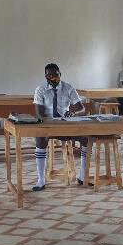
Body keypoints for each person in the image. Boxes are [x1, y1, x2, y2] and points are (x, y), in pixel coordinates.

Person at [32, 63, 88, 191]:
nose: (53, 77)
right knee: (40, 138)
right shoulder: (40, 90)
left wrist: (73, 113)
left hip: (65, 124)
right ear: (46, 77)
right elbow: (39, 113)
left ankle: (82, 175)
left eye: (56, 74)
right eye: (49, 75)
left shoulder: (68, 88)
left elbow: (81, 109)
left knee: (86, 137)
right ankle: (41, 179)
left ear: (60, 74)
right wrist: (48, 122)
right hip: (49, 126)